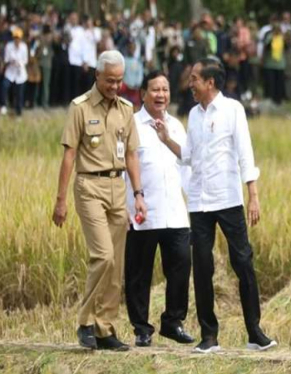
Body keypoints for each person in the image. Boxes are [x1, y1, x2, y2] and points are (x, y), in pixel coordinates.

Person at [152, 58, 277, 354]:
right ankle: (209, 336)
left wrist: (253, 195)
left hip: (228, 199)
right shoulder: (194, 115)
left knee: (242, 262)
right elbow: (189, 156)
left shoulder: (233, 110)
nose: (190, 83)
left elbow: (245, 154)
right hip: (199, 202)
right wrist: (166, 139)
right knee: (203, 267)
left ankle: (254, 332)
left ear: (210, 82)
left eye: (195, 78)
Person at [52, 50, 147, 352]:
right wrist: (60, 200)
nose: (115, 86)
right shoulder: (79, 108)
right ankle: (85, 321)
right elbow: (68, 155)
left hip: (117, 187)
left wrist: (138, 193)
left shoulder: (127, 109)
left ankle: (105, 328)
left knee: (116, 264)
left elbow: (131, 154)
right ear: (97, 76)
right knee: (103, 256)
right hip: (89, 185)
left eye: (119, 81)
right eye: (110, 80)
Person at [124, 71, 195, 348]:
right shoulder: (132, 125)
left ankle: (173, 322)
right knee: (138, 273)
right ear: (143, 93)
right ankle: (141, 328)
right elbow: (123, 169)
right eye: (155, 89)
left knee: (180, 267)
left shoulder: (176, 125)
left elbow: (187, 166)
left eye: (165, 89)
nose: (161, 95)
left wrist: (194, 204)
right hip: (143, 210)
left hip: (175, 211)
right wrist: (125, 205)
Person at [2, 27, 28, 116]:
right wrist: (11, 61)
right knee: (5, 86)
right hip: (10, 71)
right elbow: (6, 59)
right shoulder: (9, 46)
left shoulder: (24, 47)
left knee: (19, 93)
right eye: (15, 38)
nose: (17, 40)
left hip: (20, 73)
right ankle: (4, 105)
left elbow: (25, 60)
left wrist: (19, 63)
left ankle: (19, 111)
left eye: (18, 38)